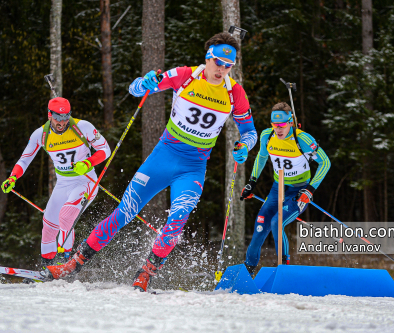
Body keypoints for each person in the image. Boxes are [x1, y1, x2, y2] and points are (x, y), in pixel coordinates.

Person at [44, 32, 258, 292]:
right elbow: (136, 90)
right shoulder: (185, 75)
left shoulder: (234, 92)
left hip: (192, 168)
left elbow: (249, 132)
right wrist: (144, 82)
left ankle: (146, 273)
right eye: (218, 63)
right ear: (208, 57)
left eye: (228, 66)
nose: (222, 70)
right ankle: (74, 263)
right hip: (162, 158)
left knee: (178, 218)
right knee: (124, 212)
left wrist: (244, 146)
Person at [1, 97, 111, 268]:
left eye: (66, 116)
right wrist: (13, 177)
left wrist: (88, 163)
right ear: (49, 115)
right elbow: (24, 160)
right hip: (63, 184)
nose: (62, 122)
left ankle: (65, 262)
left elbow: (105, 150)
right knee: (49, 224)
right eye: (58, 117)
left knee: (66, 216)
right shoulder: (41, 134)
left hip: (85, 181)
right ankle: (48, 266)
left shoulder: (83, 127)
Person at [240, 102, 331, 276]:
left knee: (277, 222)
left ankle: (284, 269)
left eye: (282, 125)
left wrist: (310, 190)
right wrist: (252, 182)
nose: (278, 129)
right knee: (261, 222)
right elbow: (261, 157)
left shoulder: (302, 139)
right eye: (275, 125)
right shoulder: (267, 136)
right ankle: (247, 271)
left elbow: (325, 162)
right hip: (277, 188)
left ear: (290, 122)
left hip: (299, 190)